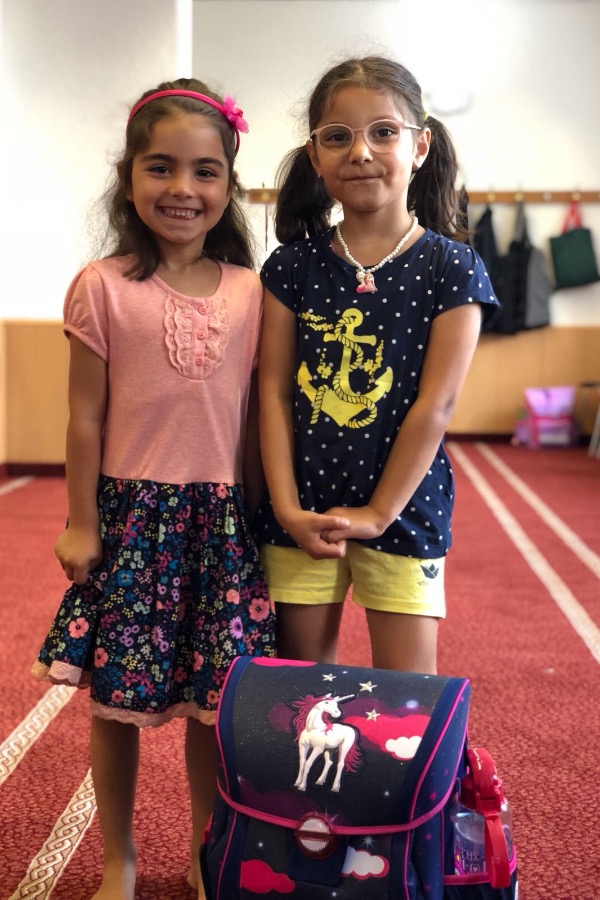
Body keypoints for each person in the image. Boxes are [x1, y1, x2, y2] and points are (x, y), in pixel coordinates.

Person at [32, 77, 275, 900]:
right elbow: (84, 418)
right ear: (128, 175)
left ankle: (207, 854)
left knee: (215, 708)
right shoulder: (101, 286)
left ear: (229, 185)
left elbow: (253, 419)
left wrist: (261, 519)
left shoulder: (250, 291)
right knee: (115, 705)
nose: (183, 188)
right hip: (132, 523)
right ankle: (119, 859)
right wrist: (80, 522)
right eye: (161, 166)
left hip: (219, 525)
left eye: (206, 171)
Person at [257, 56, 497, 676]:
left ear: (420, 146)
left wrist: (378, 513)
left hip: (405, 508)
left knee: (407, 698)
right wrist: (285, 508)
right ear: (315, 156)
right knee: (300, 694)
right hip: (303, 510)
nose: (360, 151)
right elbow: (273, 393)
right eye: (338, 136)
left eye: (383, 132)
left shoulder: (452, 268)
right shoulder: (291, 268)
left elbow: (436, 405)